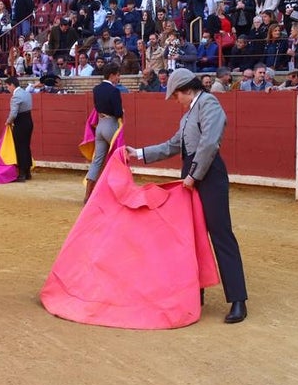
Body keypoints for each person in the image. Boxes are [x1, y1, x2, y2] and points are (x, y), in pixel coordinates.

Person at [124, 68, 248, 324]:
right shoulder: (188, 115)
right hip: (191, 175)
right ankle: (195, 292)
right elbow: (172, 145)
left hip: (208, 175)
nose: (175, 101)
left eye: (176, 96)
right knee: (191, 235)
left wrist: (194, 175)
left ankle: (238, 300)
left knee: (220, 233)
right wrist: (138, 153)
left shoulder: (209, 103)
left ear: (186, 90)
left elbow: (209, 143)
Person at [86, 64, 124, 203]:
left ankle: (87, 196)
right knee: (118, 159)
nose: (119, 78)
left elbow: (97, 107)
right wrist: (122, 113)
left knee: (97, 161)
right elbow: (118, 112)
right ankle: (116, 194)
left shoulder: (96, 89)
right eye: (118, 75)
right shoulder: (114, 91)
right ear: (112, 75)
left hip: (100, 126)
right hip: (111, 125)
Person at [4, 76, 33, 182]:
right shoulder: (26, 93)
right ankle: (28, 172)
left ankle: (21, 174)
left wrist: (8, 121)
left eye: (7, 86)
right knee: (26, 146)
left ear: (12, 85)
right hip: (29, 121)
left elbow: (13, 113)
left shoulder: (15, 97)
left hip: (20, 123)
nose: (7, 88)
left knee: (20, 148)